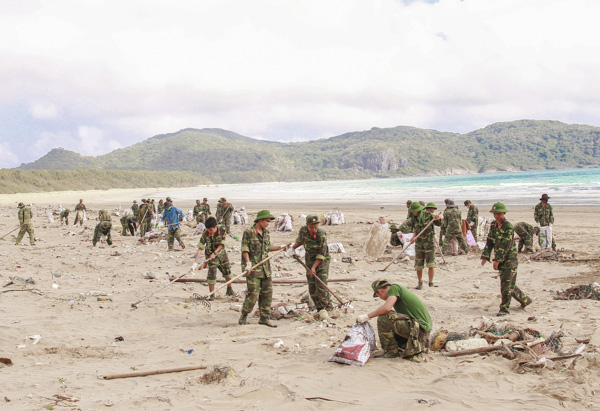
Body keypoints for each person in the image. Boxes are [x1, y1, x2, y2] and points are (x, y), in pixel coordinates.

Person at [356, 279, 432, 361]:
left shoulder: (394, 288)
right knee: (392, 319)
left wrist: (367, 316)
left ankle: (391, 352)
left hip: (420, 329)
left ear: (379, 291)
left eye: (378, 296)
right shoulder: (398, 291)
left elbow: (386, 308)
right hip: (421, 330)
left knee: (384, 317)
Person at [238, 210, 288, 327]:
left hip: (265, 269)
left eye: (269, 222)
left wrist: (281, 247)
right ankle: (244, 315)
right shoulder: (249, 232)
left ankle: (264, 318)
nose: (268, 223)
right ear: (260, 220)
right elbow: (245, 248)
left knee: (267, 294)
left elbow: (268, 247)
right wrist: (248, 263)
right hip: (253, 270)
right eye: (266, 221)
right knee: (253, 294)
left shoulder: (266, 233)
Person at [481, 202, 532, 316]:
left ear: (504, 213)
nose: (496, 216)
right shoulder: (494, 225)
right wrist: (486, 255)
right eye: (495, 214)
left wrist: (498, 260)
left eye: (499, 214)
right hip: (501, 259)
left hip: (509, 260)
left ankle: (504, 309)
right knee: (508, 284)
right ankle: (525, 300)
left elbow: (506, 245)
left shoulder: (508, 227)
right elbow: (490, 241)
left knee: (506, 285)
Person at [291, 215, 333, 312]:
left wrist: (314, 268)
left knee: (321, 286)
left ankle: (328, 308)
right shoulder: (303, 231)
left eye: (315, 227)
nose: (314, 229)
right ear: (307, 225)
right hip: (309, 259)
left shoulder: (321, 234)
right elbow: (300, 241)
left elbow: (321, 254)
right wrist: (292, 248)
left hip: (322, 261)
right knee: (312, 286)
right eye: (311, 227)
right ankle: (319, 308)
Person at [193, 217, 233, 300]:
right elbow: (200, 248)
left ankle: (229, 289)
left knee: (227, 271)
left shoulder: (222, 230)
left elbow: (222, 244)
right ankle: (212, 294)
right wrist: (195, 263)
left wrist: (215, 253)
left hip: (221, 254)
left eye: (211, 230)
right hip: (210, 256)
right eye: (208, 230)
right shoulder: (205, 234)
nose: (209, 232)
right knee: (212, 274)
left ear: (215, 227)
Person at [408, 201, 441, 289]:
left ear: (418, 210)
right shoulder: (414, 218)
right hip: (419, 244)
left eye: (414, 211)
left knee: (430, 264)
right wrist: (413, 237)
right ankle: (420, 282)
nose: (413, 212)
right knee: (418, 264)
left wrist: (438, 218)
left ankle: (430, 283)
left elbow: (439, 224)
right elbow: (415, 229)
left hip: (429, 243)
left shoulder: (429, 215)